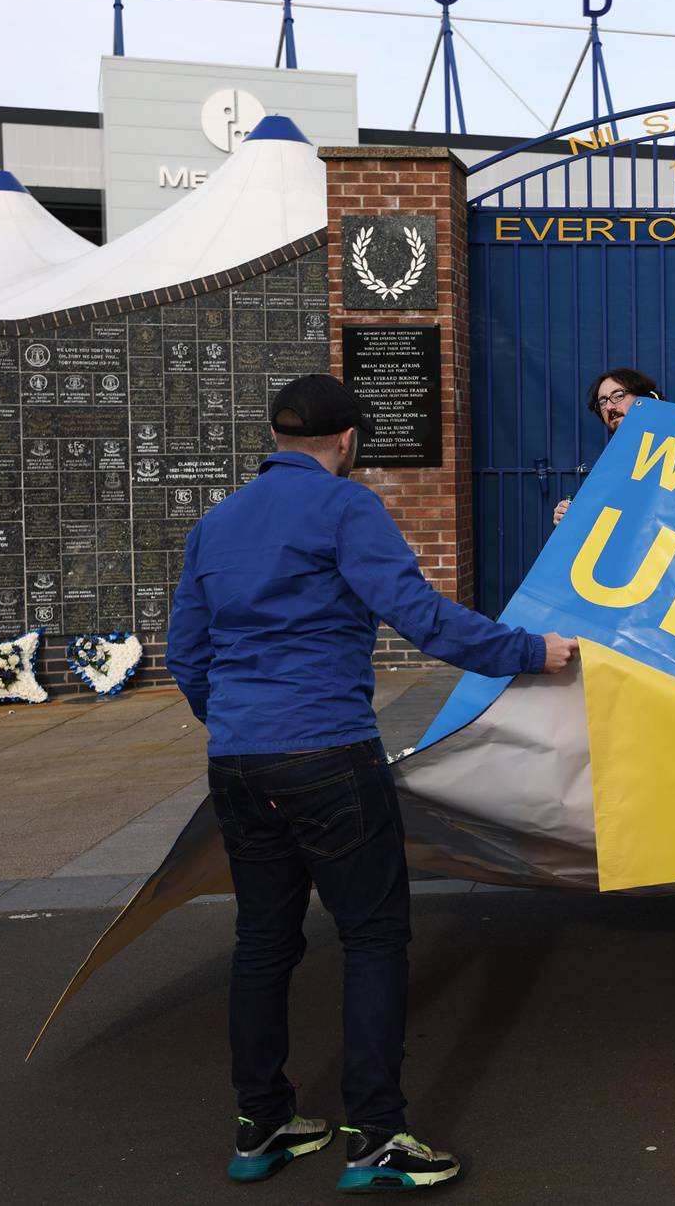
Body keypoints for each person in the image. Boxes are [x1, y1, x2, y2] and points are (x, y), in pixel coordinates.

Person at [166, 373, 578, 1191]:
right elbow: (418, 615)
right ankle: (376, 1138)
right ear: (349, 441)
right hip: (328, 755)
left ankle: (264, 1126)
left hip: (239, 763)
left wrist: (243, 725)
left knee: (262, 942)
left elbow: (187, 654)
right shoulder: (346, 507)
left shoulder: (216, 523)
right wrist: (531, 652)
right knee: (373, 938)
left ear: (277, 436)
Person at [552, 367, 675, 526]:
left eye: (618, 396)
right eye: (603, 402)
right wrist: (568, 518)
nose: (610, 407)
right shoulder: (610, 469)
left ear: (646, 398)